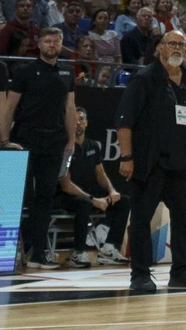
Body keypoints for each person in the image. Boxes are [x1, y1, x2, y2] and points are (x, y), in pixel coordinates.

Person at [116, 29, 186, 294]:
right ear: (160, 48)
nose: (178, 49)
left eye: (182, 44)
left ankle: (182, 271)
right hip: (150, 163)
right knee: (141, 219)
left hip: (180, 165)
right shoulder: (144, 78)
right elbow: (124, 122)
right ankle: (140, 275)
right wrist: (127, 157)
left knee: (183, 218)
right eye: (172, 44)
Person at [3, 27, 77, 269]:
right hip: (25, 138)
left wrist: (71, 138)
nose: (52, 45)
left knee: (46, 196)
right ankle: (11, 251)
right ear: (40, 44)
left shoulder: (67, 71)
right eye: (47, 41)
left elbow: (70, 107)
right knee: (20, 196)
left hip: (54, 140)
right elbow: (9, 107)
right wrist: (4, 140)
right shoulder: (24, 72)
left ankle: (38, 254)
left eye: (56, 42)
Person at [58, 107, 129, 267]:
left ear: (87, 123)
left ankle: (110, 248)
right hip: (66, 197)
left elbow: (100, 174)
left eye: (81, 119)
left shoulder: (93, 146)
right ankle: (78, 253)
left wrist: (111, 190)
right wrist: (93, 200)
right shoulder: (65, 148)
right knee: (85, 204)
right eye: (74, 120)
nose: (78, 123)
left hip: (90, 192)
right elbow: (66, 184)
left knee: (123, 201)